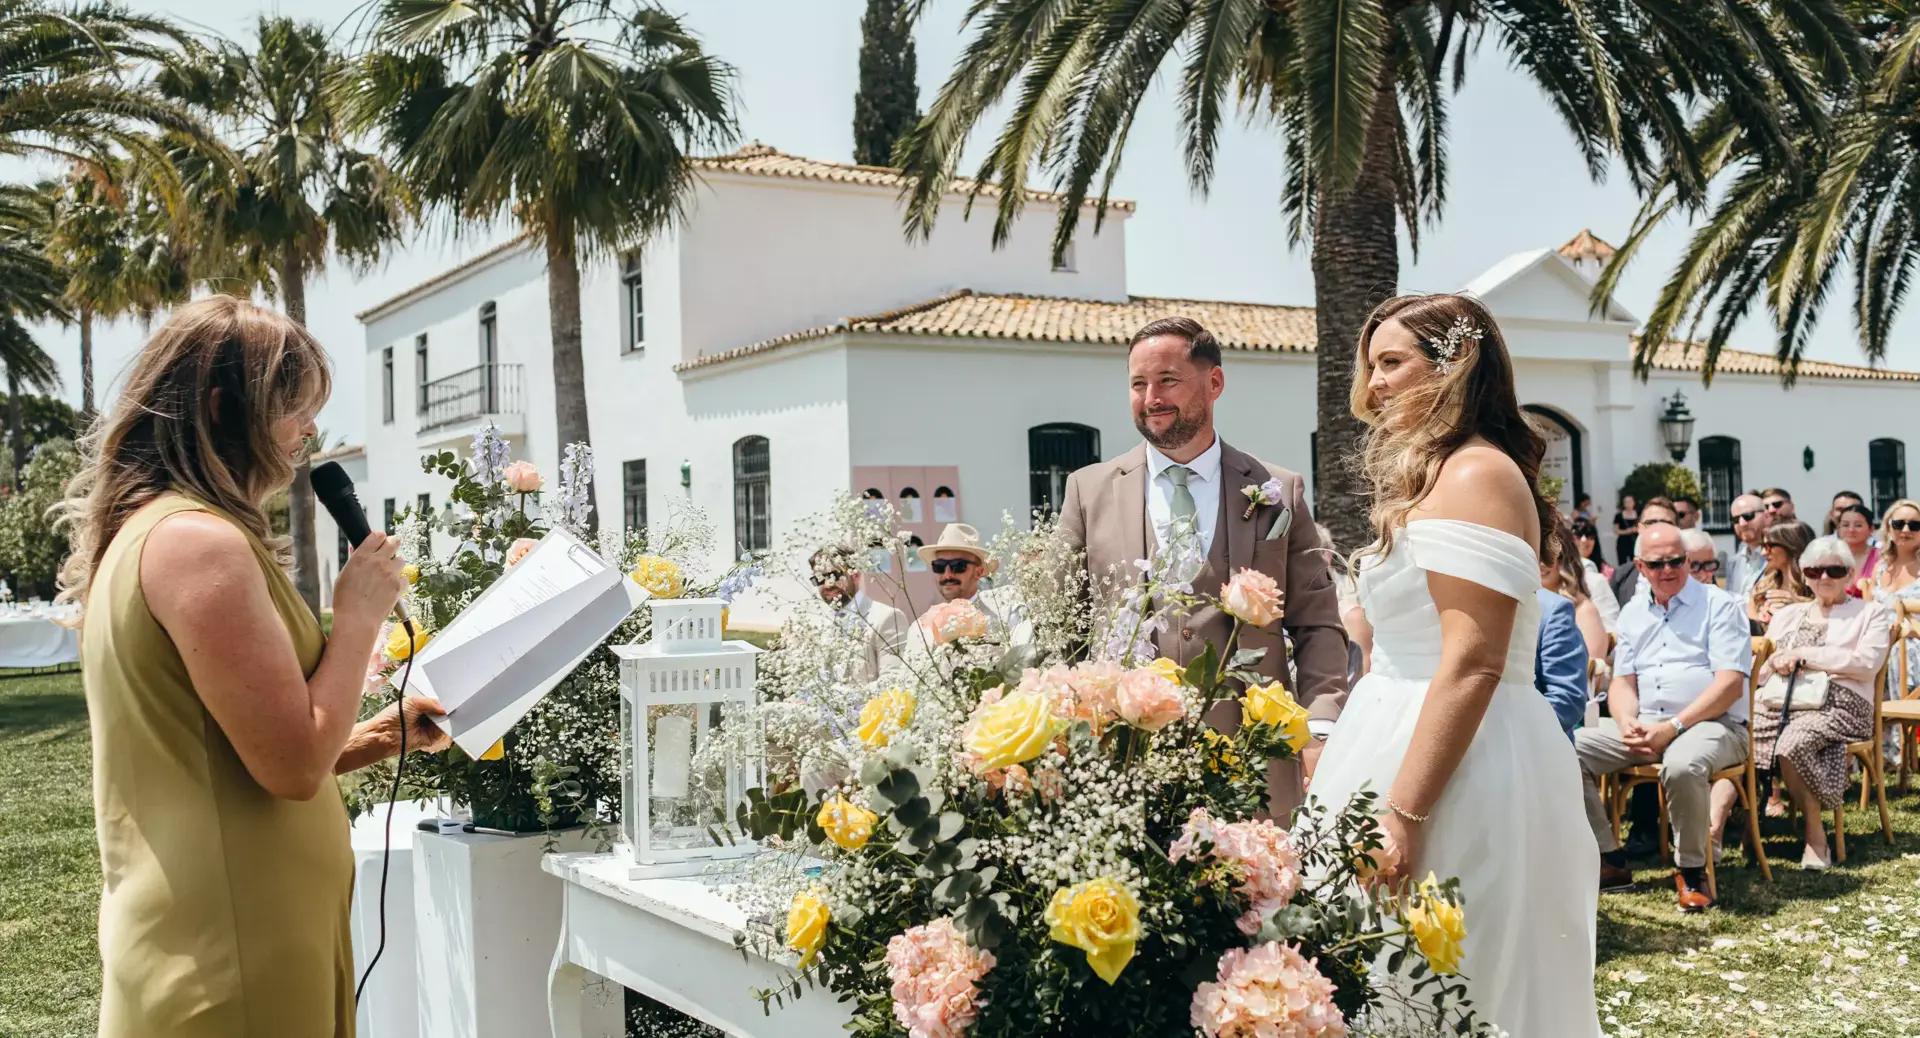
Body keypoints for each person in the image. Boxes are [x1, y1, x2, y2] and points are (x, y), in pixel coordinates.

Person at [61, 297, 451, 1038]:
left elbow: (223, 755)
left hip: (247, 935)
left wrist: (379, 736)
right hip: (231, 954)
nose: (310, 431)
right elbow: (292, 765)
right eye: (293, 409)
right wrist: (359, 615)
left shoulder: (162, 535)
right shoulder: (195, 546)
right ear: (221, 409)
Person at [1307, 293, 1599, 1035]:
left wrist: (1404, 815)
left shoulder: (1476, 476)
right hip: (1391, 727)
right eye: (1371, 367)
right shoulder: (1431, 477)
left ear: (1455, 365)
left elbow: (1472, 661)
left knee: (1458, 981)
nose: (1372, 387)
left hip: (1464, 758)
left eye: (1392, 364)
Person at [1057, 316, 1349, 813]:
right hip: (1127, 768)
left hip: (1254, 765)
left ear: (1214, 383)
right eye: (1138, 383)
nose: (1151, 397)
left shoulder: (1280, 491)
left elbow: (1317, 623)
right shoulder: (1087, 491)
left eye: (1168, 380)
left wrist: (1320, 725)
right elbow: (1065, 630)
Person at [1577, 524, 1753, 912]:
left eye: (1676, 561)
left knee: (1682, 764)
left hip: (1715, 725)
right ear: (1640, 566)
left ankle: (1691, 869)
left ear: (1688, 561)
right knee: (1564, 746)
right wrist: (1625, 721)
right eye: (1658, 563)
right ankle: (1609, 858)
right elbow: (1623, 683)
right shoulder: (1634, 613)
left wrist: (1672, 727)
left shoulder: (1720, 605)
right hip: (1649, 725)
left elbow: (1729, 686)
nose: (1668, 569)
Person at [1752, 537, 1894, 869]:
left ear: (1849, 574)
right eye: (1815, 571)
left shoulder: (1870, 612)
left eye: (1834, 570)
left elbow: (1866, 662)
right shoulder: (1788, 615)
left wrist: (1805, 655)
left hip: (1842, 704)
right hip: (1783, 699)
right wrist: (1776, 663)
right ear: (1805, 574)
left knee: (1793, 743)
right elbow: (1761, 669)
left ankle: (1816, 837)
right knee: (1740, 732)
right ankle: (1727, 831)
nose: (1824, 578)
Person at [810, 545, 910, 678]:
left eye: (833, 575)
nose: (828, 584)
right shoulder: (822, 625)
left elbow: (892, 683)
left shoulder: (888, 618)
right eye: (819, 578)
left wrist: (837, 696)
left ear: (855, 574)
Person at [1544, 517, 1611, 664]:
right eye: (1535, 555)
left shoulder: (1583, 610)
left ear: (1564, 559)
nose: (1542, 563)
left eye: (1550, 556)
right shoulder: (1524, 603)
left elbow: (1592, 669)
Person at [1609, 497, 1679, 604]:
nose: (1657, 529)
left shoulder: (1694, 573)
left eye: (1665, 523)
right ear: (1639, 528)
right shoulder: (1621, 577)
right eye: (1651, 523)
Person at [1749, 521, 1815, 628]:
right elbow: (1752, 631)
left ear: (1791, 545)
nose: (1763, 553)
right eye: (1762, 546)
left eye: (1769, 546)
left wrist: (1797, 606)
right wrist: (1762, 622)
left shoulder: (1818, 583)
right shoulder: (1761, 588)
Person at [1726, 492, 1773, 595]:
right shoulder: (1733, 562)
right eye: (1735, 519)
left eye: (1748, 516)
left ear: (1767, 516)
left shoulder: (1780, 556)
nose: (1742, 523)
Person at [1833, 502, 1878, 582]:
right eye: (1845, 525)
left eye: (1858, 525)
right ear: (1838, 529)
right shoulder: (1829, 556)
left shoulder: (1881, 557)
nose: (1851, 530)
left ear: (1871, 529)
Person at [1614, 492, 1641, 564]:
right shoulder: (1618, 515)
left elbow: (1643, 527)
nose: (1628, 503)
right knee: (1622, 563)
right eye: (1626, 502)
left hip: (1635, 541)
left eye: (1630, 501)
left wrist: (1637, 530)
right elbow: (1616, 530)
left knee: (1636, 562)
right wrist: (1627, 531)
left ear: (1634, 502)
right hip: (1623, 542)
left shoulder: (1639, 514)